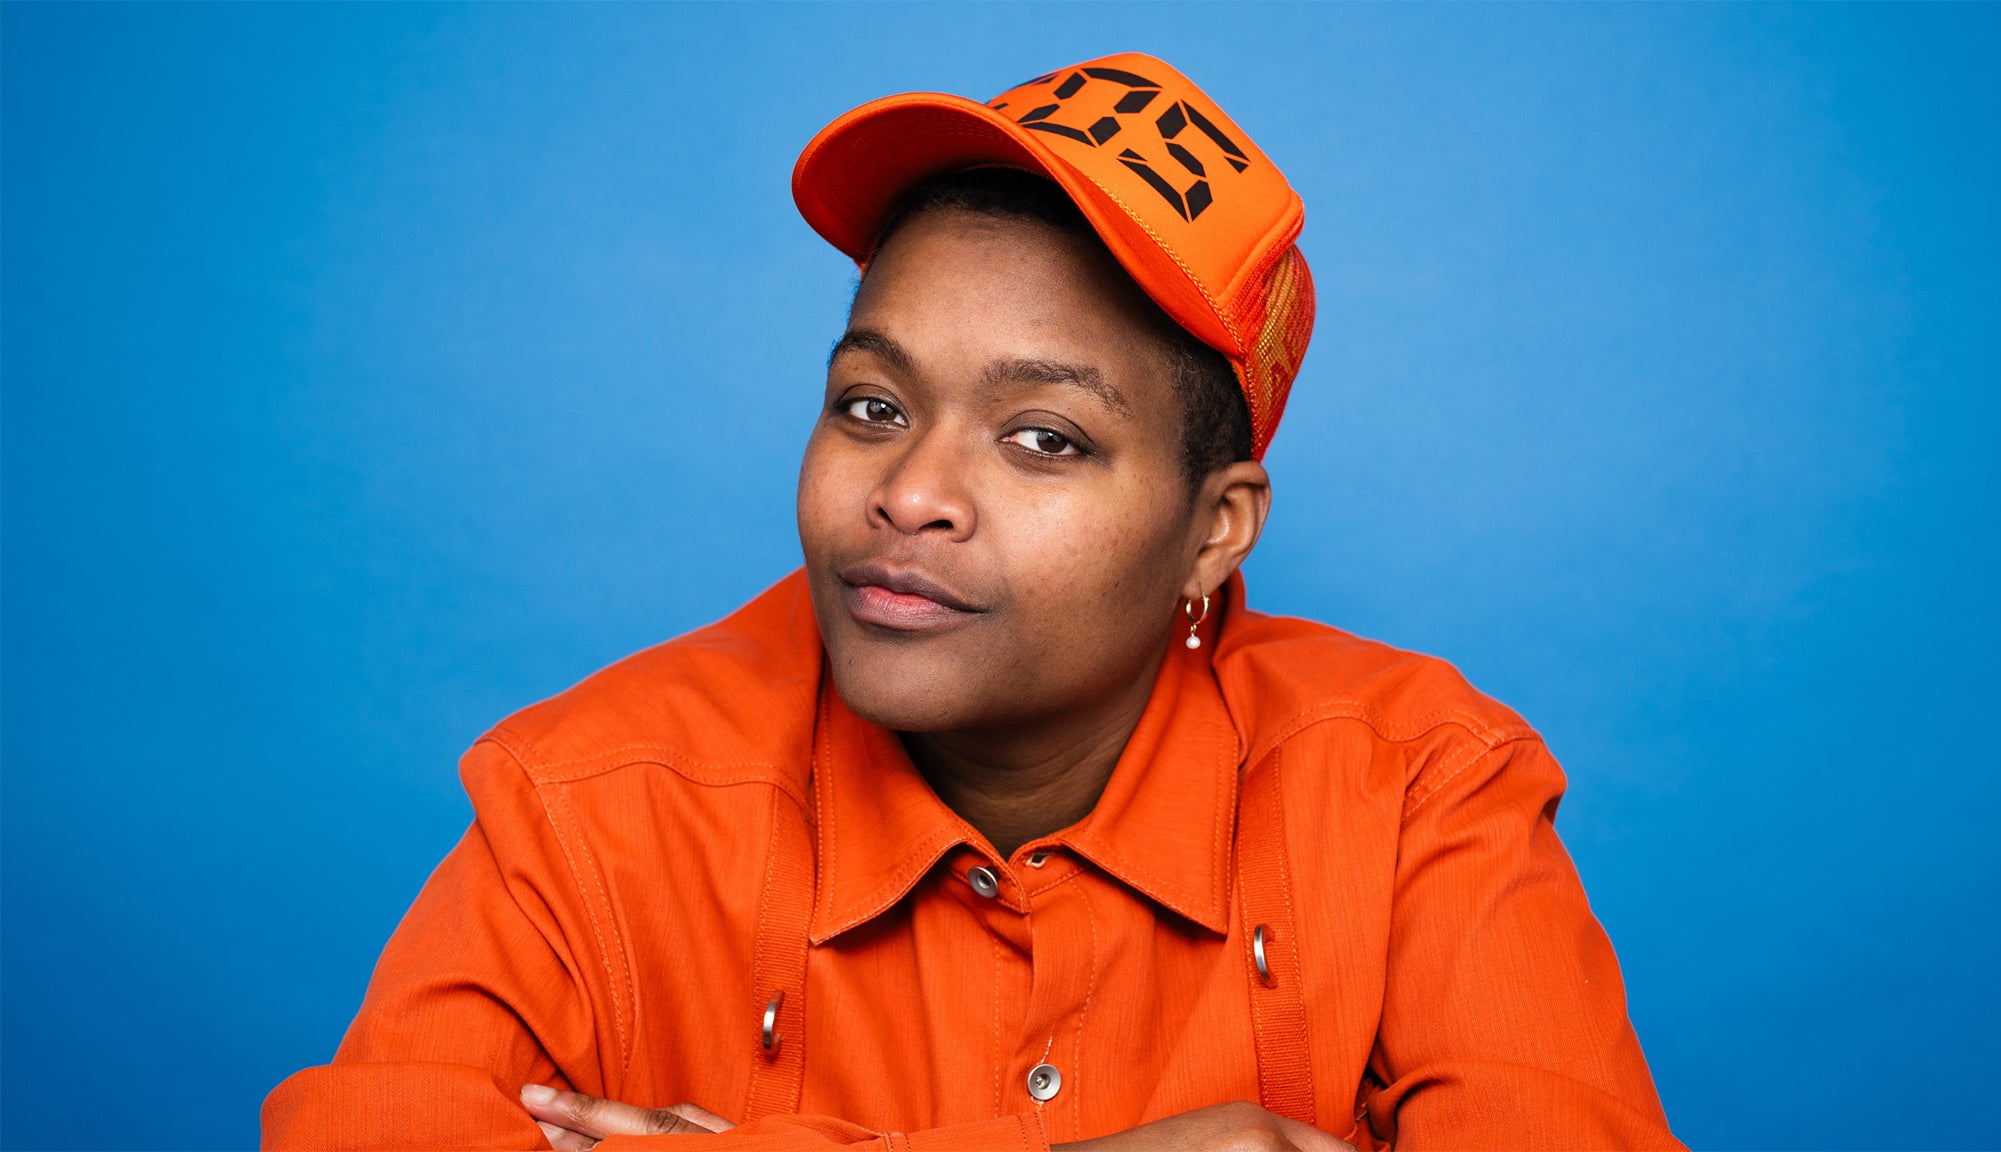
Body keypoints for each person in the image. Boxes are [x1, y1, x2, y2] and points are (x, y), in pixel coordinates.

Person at [262, 53, 1682, 1151]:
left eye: (1043, 438)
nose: (911, 493)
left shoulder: (1421, 788)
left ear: (1214, 531)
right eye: (871, 405)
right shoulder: (590, 802)